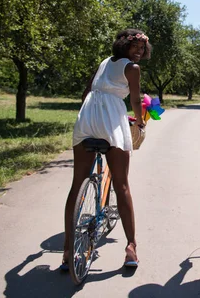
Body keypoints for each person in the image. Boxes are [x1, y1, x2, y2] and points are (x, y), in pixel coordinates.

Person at [61, 29, 151, 270]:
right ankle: (131, 246)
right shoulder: (132, 68)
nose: (139, 52)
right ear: (124, 46)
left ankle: (68, 249)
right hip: (110, 120)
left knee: (76, 183)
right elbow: (134, 99)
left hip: (86, 119)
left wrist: (87, 117)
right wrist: (140, 121)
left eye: (142, 49)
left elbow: (87, 92)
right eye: (136, 47)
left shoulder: (103, 62)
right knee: (122, 185)